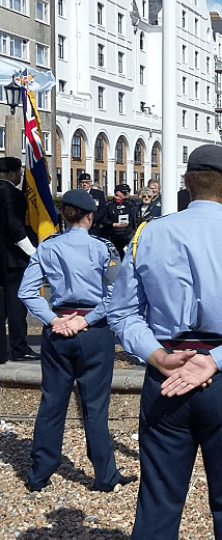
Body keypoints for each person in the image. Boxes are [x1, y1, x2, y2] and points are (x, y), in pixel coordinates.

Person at [107, 144, 222, 539]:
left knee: (157, 498)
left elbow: (121, 313)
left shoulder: (148, 234)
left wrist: (157, 355)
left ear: (187, 184)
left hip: (168, 372)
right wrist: (217, 359)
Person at [18, 189, 136, 492]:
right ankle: (105, 475)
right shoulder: (103, 247)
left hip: (57, 329)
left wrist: (54, 320)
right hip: (92, 330)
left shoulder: (47, 247)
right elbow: (116, 294)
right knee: (95, 407)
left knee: (52, 402)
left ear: (63, 216)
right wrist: (85, 319)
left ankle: (38, 474)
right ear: (90, 216)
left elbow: (27, 292)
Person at [0, 157, 39, 363]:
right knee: (16, 306)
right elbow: (15, 228)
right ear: (13, 173)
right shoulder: (12, 193)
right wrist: (34, 254)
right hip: (12, 260)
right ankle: (18, 347)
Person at [102, 184, 134, 256]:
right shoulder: (109, 205)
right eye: (123, 192)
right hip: (113, 236)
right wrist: (112, 224)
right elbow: (102, 219)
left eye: (127, 193)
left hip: (126, 235)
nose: (125, 194)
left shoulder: (130, 204)